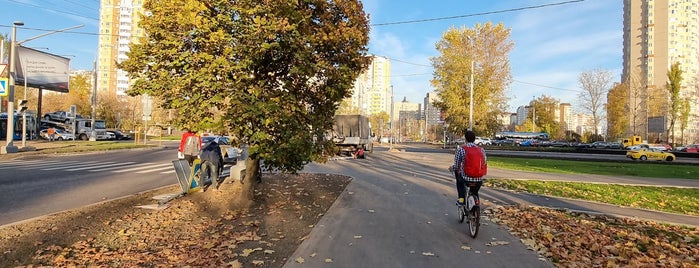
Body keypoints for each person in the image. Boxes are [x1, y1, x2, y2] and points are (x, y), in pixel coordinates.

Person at [452, 130, 486, 206]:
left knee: (459, 177)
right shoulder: (482, 150)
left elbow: (457, 165)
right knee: (475, 192)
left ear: (465, 139)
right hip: (478, 179)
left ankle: (461, 199)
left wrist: (452, 168)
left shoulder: (461, 149)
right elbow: (484, 163)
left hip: (466, 178)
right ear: (474, 139)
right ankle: (477, 207)